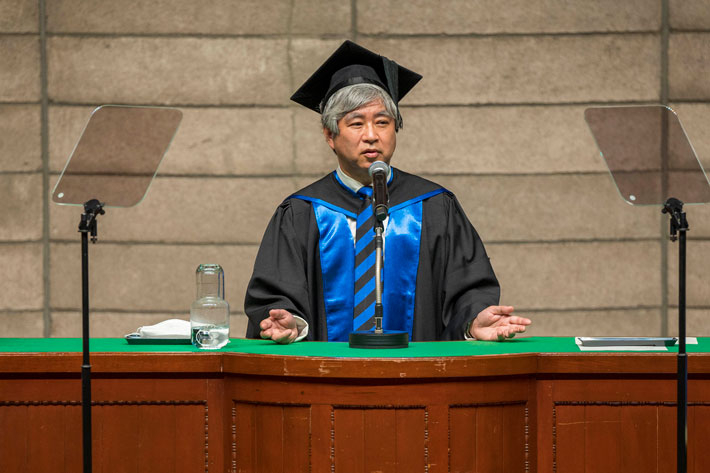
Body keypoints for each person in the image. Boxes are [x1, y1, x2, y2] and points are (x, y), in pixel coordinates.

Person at [245, 40, 531, 344]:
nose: (371, 135)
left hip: (416, 378)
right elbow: (274, 297)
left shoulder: (435, 206)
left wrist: (473, 321)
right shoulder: (301, 213)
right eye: (356, 123)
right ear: (330, 135)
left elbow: (467, 288)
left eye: (382, 122)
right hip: (326, 379)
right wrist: (291, 325)